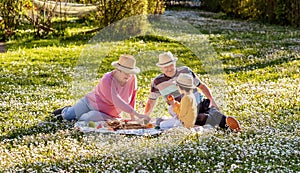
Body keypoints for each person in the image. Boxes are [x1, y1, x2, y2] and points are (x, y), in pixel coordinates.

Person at [145, 51, 241, 131]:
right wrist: (145, 117)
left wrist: (212, 101)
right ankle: (216, 122)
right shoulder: (157, 82)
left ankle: (228, 124)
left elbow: (201, 86)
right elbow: (151, 101)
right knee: (200, 118)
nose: (169, 68)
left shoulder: (185, 71)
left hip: (199, 102)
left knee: (212, 110)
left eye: (171, 65)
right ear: (161, 67)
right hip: (182, 110)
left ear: (174, 63)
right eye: (165, 66)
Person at [52, 55, 150, 122]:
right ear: (117, 70)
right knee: (68, 116)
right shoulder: (107, 79)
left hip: (108, 114)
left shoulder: (132, 78)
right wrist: (136, 114)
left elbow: (132, 97)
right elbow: (117, 100)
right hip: (89, 103)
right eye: (126, 72)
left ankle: (80, 116)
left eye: (131, 72)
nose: (129, 75)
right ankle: (66, 110)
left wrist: (132, 117)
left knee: (88, 118)